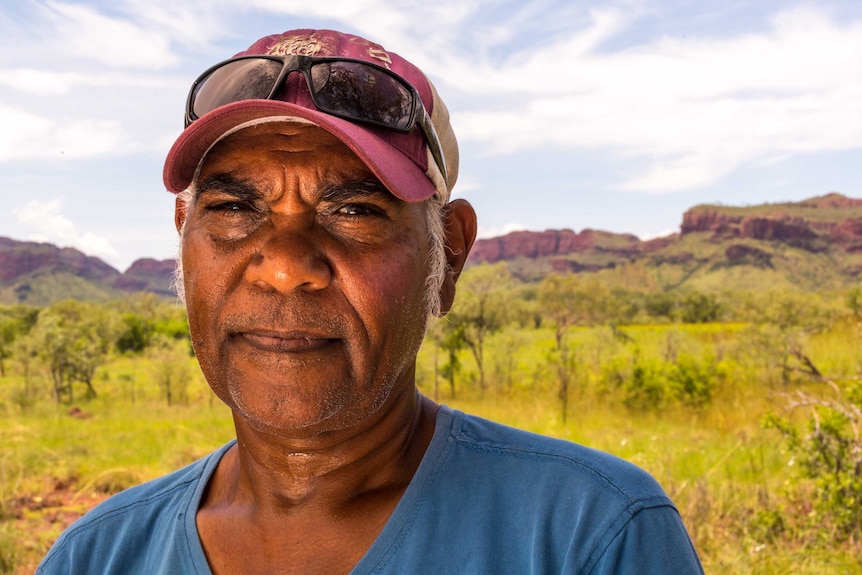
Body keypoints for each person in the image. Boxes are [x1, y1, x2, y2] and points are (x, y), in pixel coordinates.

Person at [37, 28, 704, 574]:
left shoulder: (590, 537)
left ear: (449, 254)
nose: (285, 268)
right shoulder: (95, 555)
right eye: (235, 207)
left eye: (353, 209)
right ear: (184, 243)